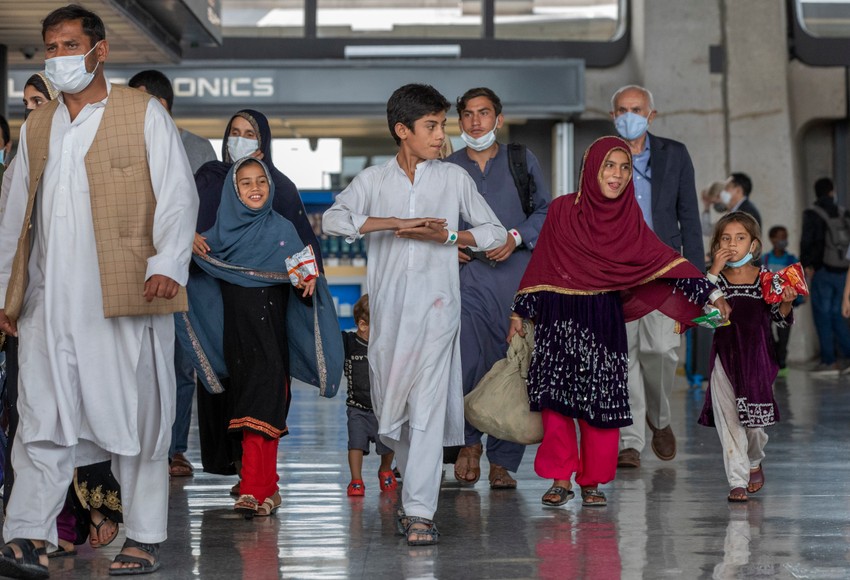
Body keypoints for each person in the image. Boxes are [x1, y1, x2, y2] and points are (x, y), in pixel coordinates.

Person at [0, 5, 198, 577]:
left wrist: (168, 263)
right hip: (47, 304)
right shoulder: (39, 126)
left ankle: (143, 535)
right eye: (50, 48)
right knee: (40, 419)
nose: (58, 58)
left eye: (68, 45)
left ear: (100, 50)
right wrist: (6, 297)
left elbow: (177, 196)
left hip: (126, 299)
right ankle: (27, 536)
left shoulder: (140, 114)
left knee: (136, 419)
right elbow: (14, 218)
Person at [322, 83, 506, 546]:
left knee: (424, 410)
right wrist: (396, 224)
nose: (441, 136)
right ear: (402, 131)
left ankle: (419, 510)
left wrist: (444, 239)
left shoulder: (452, 180)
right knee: (391, 410)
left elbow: (493, 232)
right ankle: (410, 478)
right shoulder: (373, 181)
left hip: (438, 314)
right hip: (388, 320)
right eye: (431, 126)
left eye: (442, 125)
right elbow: (334, 220)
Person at [507, 136, 729, 508]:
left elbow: (664, 260)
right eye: (610, 165)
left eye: (625, 167)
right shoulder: (562, 210)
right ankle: (561, 479)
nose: (618, 175)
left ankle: (592, 482)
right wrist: (519, 313)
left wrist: (711, 293)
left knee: (602, 404)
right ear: (591, 168)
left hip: (602, 321)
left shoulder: (630, 220)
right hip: (558, 320)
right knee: (557, 405)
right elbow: (540, 265)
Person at [183, 156, 338, 518]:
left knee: (262, 411)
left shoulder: (283, 230)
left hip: (271, 342)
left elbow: (305, 278)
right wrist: (185, 239)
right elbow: (193, 268)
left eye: (261, 182)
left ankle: (253, 490)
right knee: (247, 414)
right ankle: (269, 489)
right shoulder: (218, 235)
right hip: (235, 344)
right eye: (246, 183)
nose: (255, 188)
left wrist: (309, 282)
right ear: (233, 191)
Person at [444, 87, 550, 489]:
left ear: (498, 120)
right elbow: (435, 222)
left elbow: (544, 210)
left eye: (484, 113)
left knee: (516, 362)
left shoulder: (521, 161)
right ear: (461, 121)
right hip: (468, 279)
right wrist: (447, 247)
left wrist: (518, 236)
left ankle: (503, 459)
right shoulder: (449, 167)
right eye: (468, 114)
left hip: (517, 280)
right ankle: (469, 443)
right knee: (467, 361)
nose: (476, 122)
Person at [609, 85, 705, 469]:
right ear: (611, 114)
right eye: (621, 109)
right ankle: (630, 441)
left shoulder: (674, 154)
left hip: (664, 267)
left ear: (651, 114)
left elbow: (690, 217)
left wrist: (697, 277)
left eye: (635, 109)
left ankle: (660, 419)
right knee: (625, 355)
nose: (628, 115)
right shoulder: (600, 155)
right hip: (616, 271)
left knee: (662, 351)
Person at [128, 69, 217, 479]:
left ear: (160, 105)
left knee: (182, 363)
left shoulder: (196, 148)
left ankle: (175, 449)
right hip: (131, 267)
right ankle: (132, 448)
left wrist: (190, 238)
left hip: (185, 270)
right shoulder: (122, 142)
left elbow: (205, 205)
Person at [699, 212, 794, 502]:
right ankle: (737, 480)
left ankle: (754, 460)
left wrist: (787, 301)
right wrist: (713, 270)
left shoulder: (766, 279)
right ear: (716, 245)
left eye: (740, 238)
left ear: (753, 245)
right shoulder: (716, 280)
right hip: (725, 361)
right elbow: (703, 309)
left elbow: (779, 318)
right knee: (730, 422)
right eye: (725, 238)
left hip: (758, 361)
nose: (732, 243)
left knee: (754, 426)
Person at [343, 294, 398, 496]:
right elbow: (329, 336)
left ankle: (385, 469)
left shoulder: (387, 346)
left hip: (383, 409)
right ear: (363, 325)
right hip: (357, 408)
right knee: (355, 445)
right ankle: (356, 479)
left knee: (388, 443)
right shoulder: (348, 342)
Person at [803, 177, 850, 374]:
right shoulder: (843, 212)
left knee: (822, 316)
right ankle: (847, 357)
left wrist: (807, 264)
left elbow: (808, 241)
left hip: (822, 271)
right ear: (832, 191)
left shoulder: (813, 214)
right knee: (840, 314)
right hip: (844, 272)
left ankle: (829, 362)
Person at [762, 225, 801, 376]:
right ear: (772, 239)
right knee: (767, 334)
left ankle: (782, 363)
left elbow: (797, 282)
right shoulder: (765, 259)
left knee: (784, 335)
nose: (783, 240)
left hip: (785, 305)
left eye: (785, 237)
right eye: (779, 237)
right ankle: (775, 359)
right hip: (768, 305)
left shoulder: (792, 260)